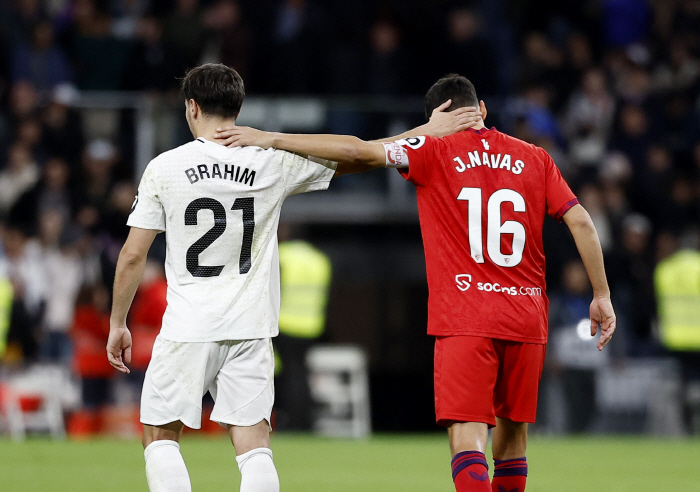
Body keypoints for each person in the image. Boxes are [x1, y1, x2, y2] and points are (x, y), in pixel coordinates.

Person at [216, 73, 616, 492]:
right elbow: (581, 221)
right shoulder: (536, 158)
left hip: (465, 316)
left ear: (436, 117)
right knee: (513, 435)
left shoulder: (431, 148)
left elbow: (357, 151)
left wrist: (270, 138)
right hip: (525, 315)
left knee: (467, 436)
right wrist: (601, 295)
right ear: (481, 110)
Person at [106, 63, 477, 492]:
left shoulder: (165, 167)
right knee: (254, 447)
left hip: (188, 325)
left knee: (161, 437)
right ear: (238, 107)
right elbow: (363, 153)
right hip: (250, 327)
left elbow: (134, 255)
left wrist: (118, 322)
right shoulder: (268, 161)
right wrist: (427, 131)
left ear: (192, 107)